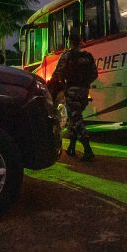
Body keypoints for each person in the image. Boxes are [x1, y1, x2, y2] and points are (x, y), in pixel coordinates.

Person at [48, 31, 98, 161]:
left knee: (76, 120)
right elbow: (94, 74)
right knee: (74, 118)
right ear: (80, 41)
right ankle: (71, 147)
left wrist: (57, 84)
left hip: (71, 91)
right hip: (84, 92)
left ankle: (88, 149)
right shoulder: (88, 56)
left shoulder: (66, 56)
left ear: (70, 42)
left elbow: (57, 73)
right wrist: (84, 84)